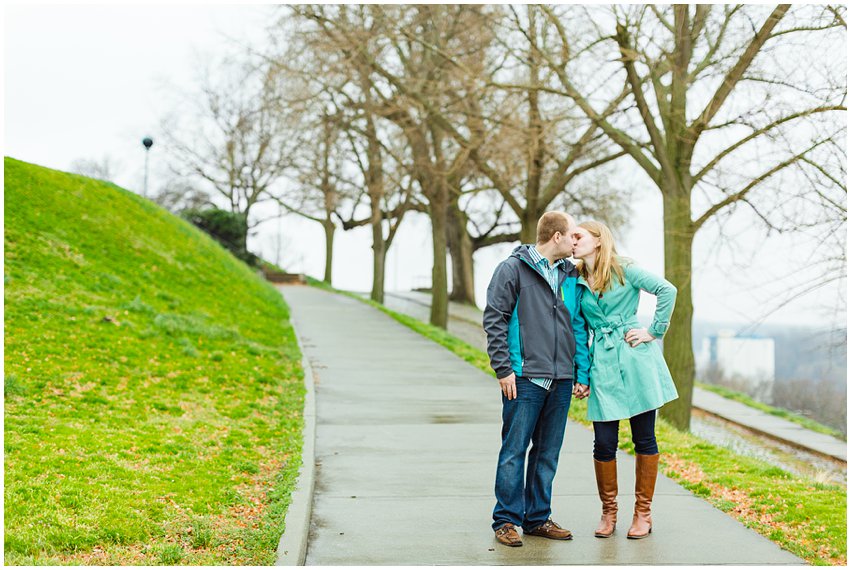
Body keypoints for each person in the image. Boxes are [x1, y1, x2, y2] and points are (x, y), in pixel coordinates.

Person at [483, 211, 591, 548]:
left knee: (548, 453)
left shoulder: (570, 275)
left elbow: (577, 325)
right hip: (525, 378)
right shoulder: (512, 269)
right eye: (573, 236)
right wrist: (503, 369)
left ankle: (537, 518)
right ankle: (506, 520)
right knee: (514, 451)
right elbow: (495, 319)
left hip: (561, 378)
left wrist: (580, 372)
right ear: (556, 236)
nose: (576, 242)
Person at [569, 220, 679, 540]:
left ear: (598, 240)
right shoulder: (576, 279)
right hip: (601, 363)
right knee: (604, 442)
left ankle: (643, 513)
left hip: (635, 360)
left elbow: (666, 289)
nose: (573, 242)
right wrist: (582, 374)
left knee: (644, 437)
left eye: (579, 236)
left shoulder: (624, 268)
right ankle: (609, 512)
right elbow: (579, 328)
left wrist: (653, 332)